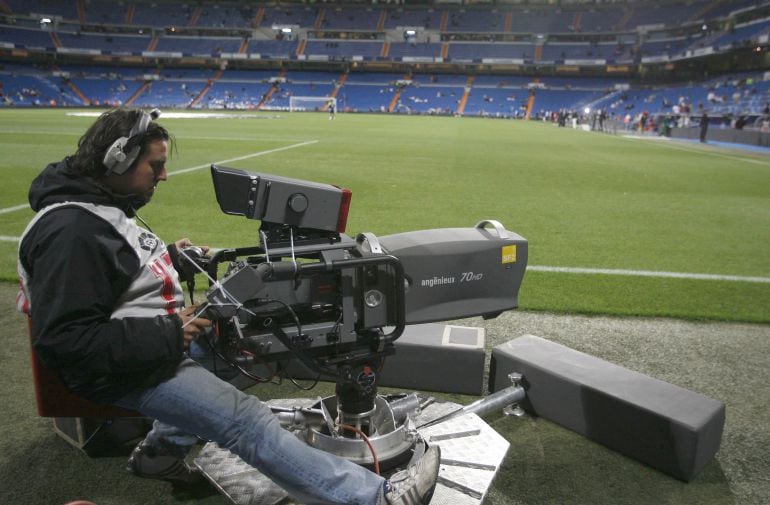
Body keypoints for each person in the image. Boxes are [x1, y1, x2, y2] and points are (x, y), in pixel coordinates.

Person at [16, 108, 439, 505]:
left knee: (247, 352)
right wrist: (170, 332)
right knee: (246, 422)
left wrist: (171, 257)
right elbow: (66, 340)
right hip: (123, 370)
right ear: (117, 162)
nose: (163, 177)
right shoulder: (71, 233)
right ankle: (375, 497)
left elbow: (107, 276)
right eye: (154, 166)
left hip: (145, 347)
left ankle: (159, 455)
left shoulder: (96, 211)